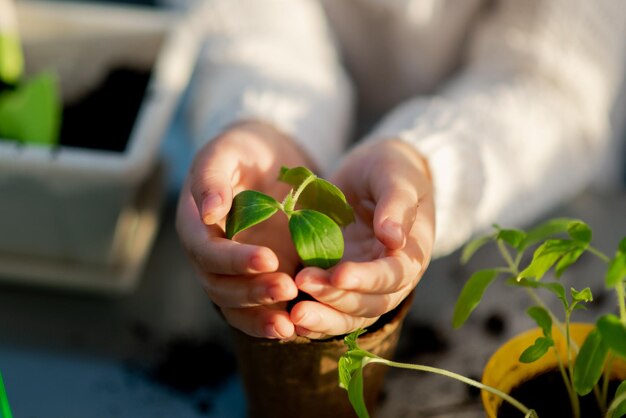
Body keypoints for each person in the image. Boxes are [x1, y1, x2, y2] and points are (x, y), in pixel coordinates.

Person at [175, 0, 626, 340]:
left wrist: (429, 160)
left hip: (520, 191)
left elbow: (552, 82)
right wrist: (261, 121)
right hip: (307, 161)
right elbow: (243, 18)